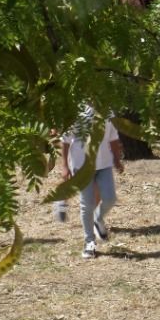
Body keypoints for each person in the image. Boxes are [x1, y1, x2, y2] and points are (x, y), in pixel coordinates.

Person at [61, 111, 124, 260]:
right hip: (81, 165)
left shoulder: (107, 111)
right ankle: (89, 242)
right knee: (87, 204)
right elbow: (65, 141)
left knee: (110, 198)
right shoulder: (75, 110)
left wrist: (116, 159)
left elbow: (113, 137)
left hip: (104, 164)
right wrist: (64, 166)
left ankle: (98, 217)